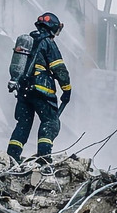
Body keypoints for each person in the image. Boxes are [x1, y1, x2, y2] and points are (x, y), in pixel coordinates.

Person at [7, 12, 71, 173]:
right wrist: (67, 90)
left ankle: (12, 157)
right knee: (50, 123)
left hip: (23, 90)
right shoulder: (48, 43)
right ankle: (44, 159)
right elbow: (59, 69)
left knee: (23, 124)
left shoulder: (29, 42)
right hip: (42, 90)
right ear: (54, 28)